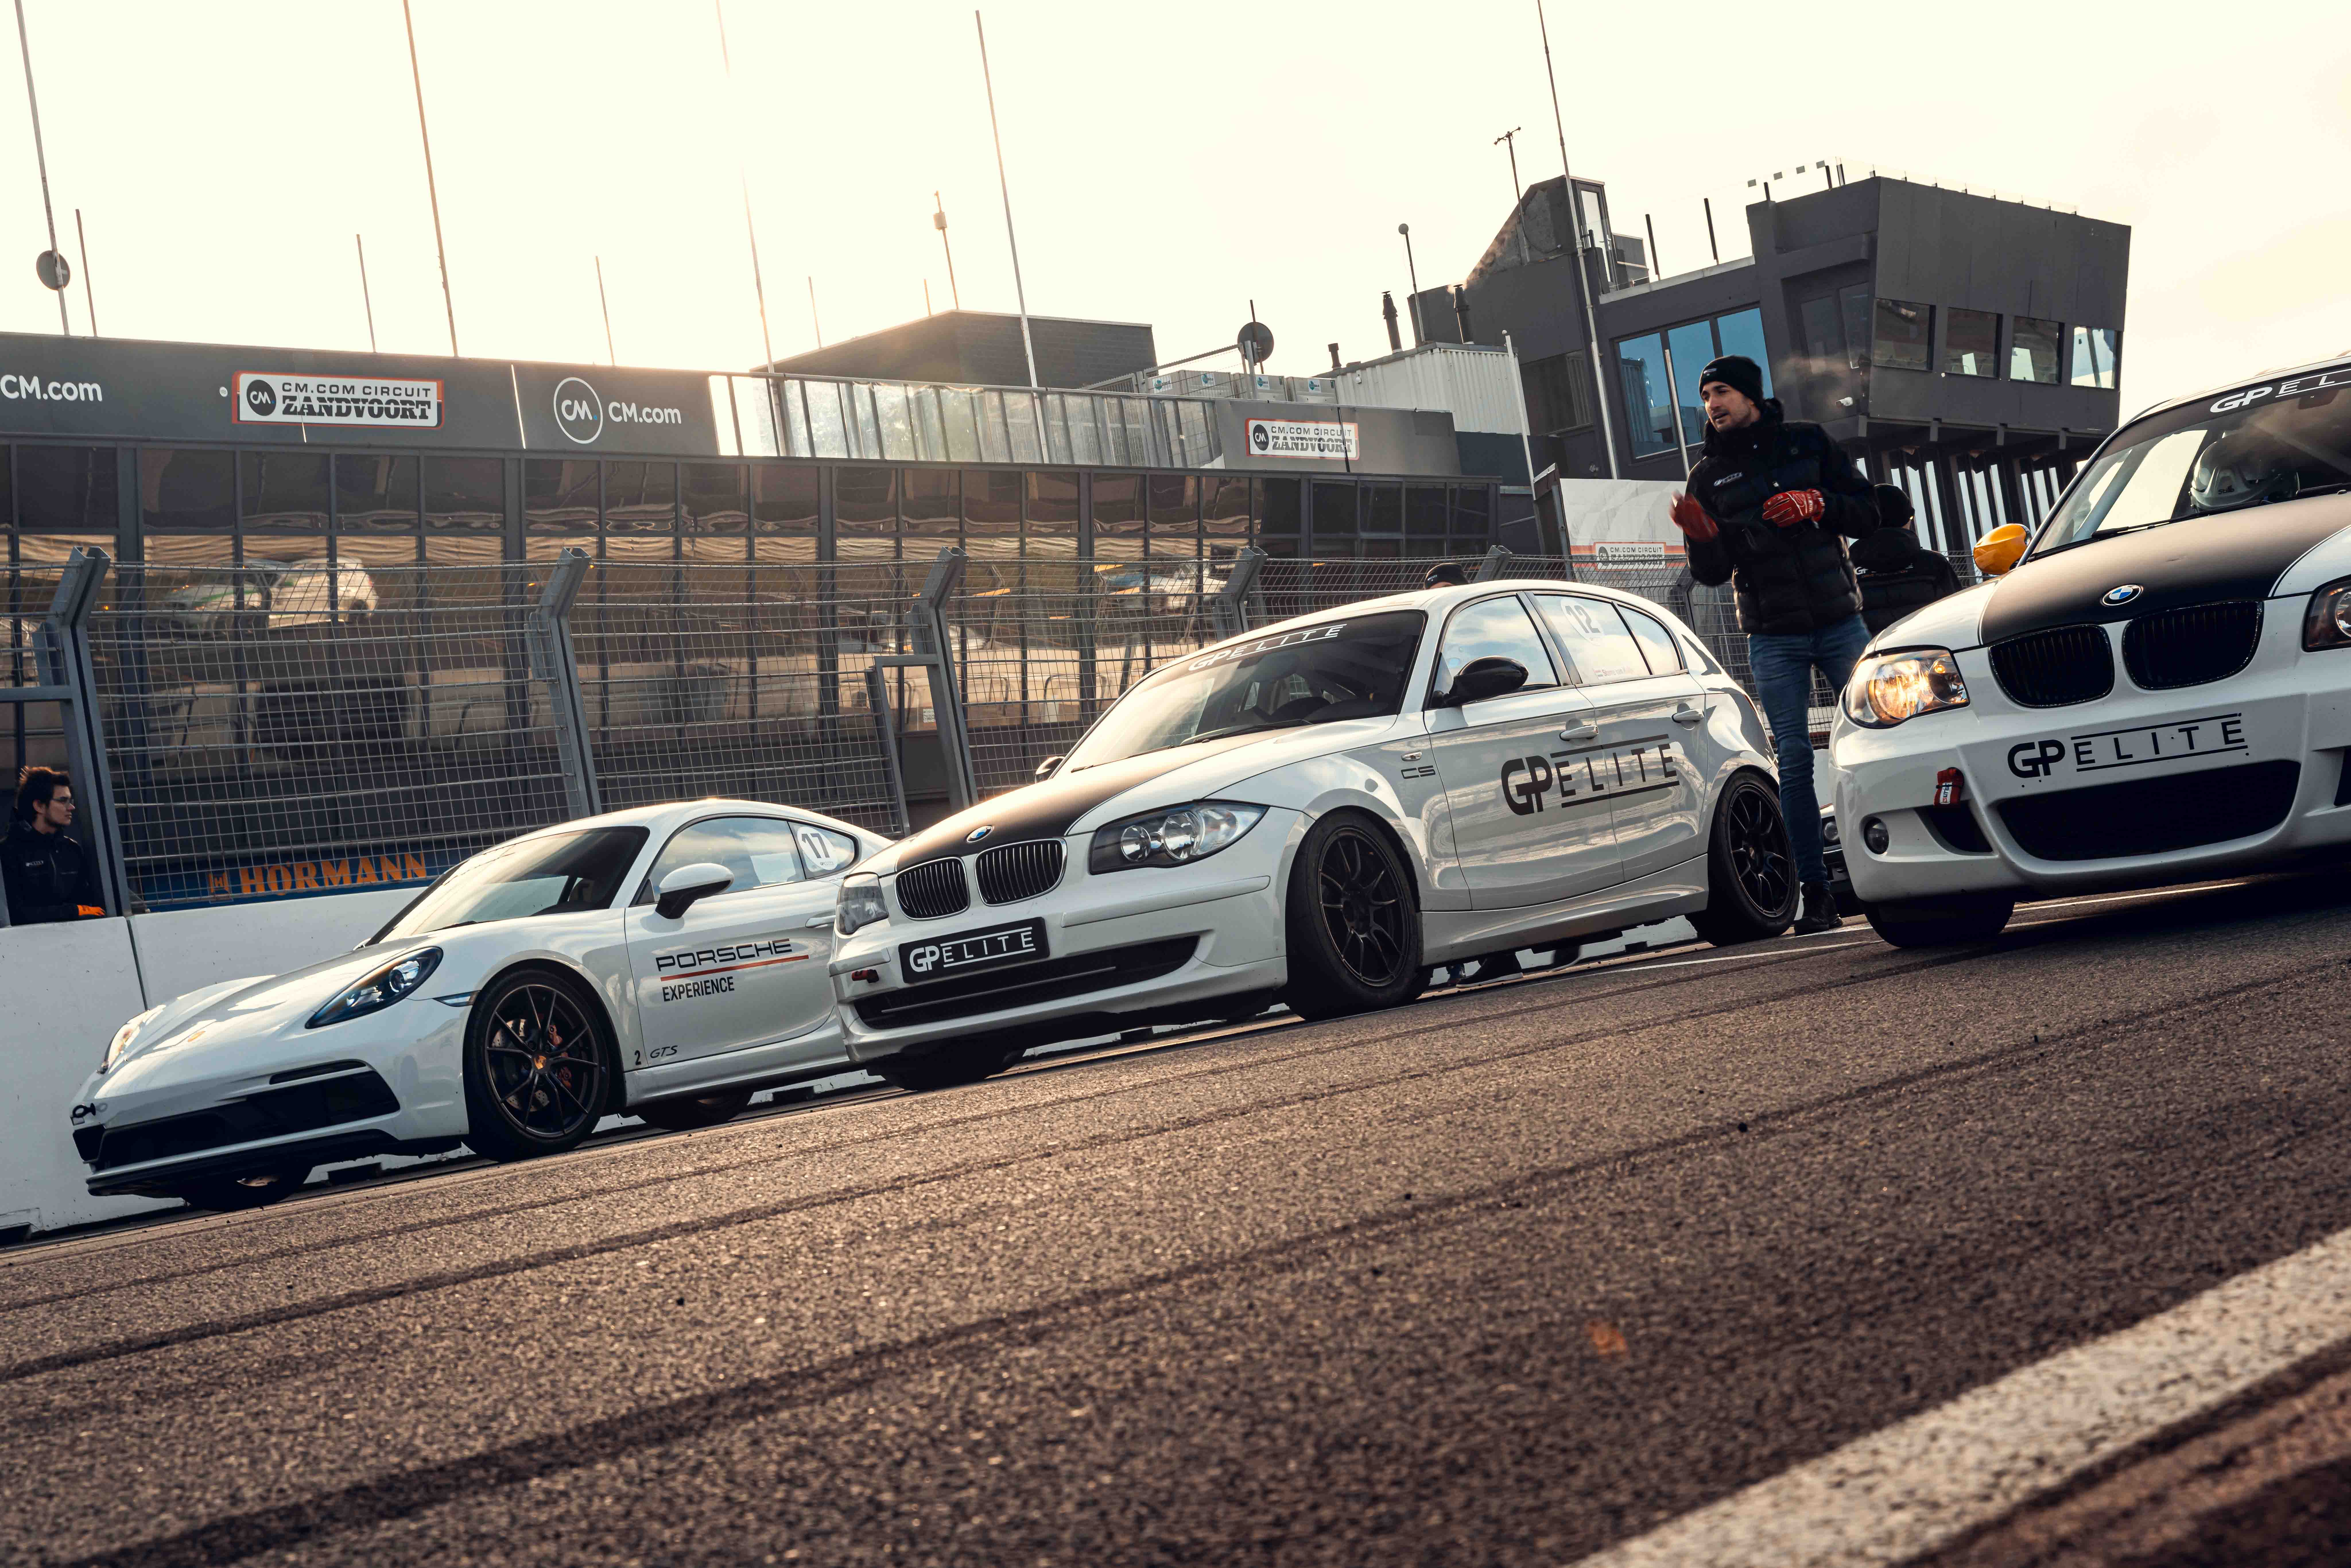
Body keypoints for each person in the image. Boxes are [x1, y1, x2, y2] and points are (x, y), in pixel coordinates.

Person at [1666, 354, 1877, 935]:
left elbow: (1869, 510)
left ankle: (1902, 861)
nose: (1713, 403)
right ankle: (1818, 893)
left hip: (1840, 623)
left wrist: (1819, 504)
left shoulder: (1808, 442)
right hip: (1772, 635)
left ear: (1752, 394)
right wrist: (1702, 537)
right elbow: (1710, 574)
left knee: (1886, 730)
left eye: (1723, 391)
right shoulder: (1706, 476)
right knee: (1793, 759)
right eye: (1706, 394)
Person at [1853, 483, 1961, 635]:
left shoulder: (1847, 570)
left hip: (1868, 655)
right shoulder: (1934, 564)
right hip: (1929, 652)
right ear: (1908, 518)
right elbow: (1958, 615)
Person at [5, 766, 104, 925]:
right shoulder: (8, 852)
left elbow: (89, 903)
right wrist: (73, 911)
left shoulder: (72, 849)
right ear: (39, 806)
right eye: (63, 801)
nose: (71, 807)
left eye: (70, 801)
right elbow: (15, 914)